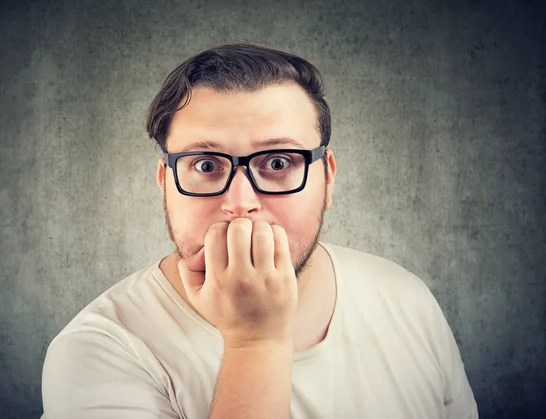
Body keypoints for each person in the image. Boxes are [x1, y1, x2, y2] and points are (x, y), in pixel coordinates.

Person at [41, 43, 479, 419]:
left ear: (327, 178)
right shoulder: (98, 351)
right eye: (206, 166)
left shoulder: (407, 298)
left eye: (277, 162)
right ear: (165, 184)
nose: (239, 203)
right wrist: (256, 341)